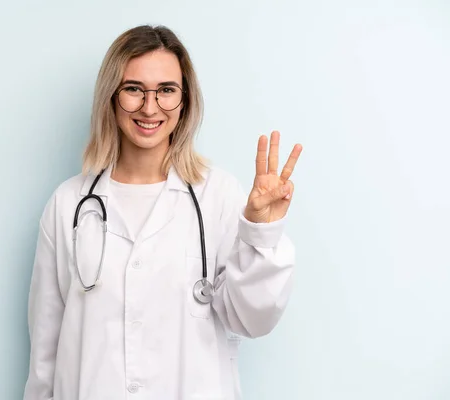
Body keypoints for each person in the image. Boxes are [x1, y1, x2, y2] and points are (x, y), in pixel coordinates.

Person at [23, 24, 303, 400]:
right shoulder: (68, 204)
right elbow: (46, 349)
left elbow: (252, 319)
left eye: (166, 91)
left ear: (184, 100)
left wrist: (260, 232)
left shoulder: (217, 195)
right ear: (111, 97)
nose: (150, 107)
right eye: (134, 89)